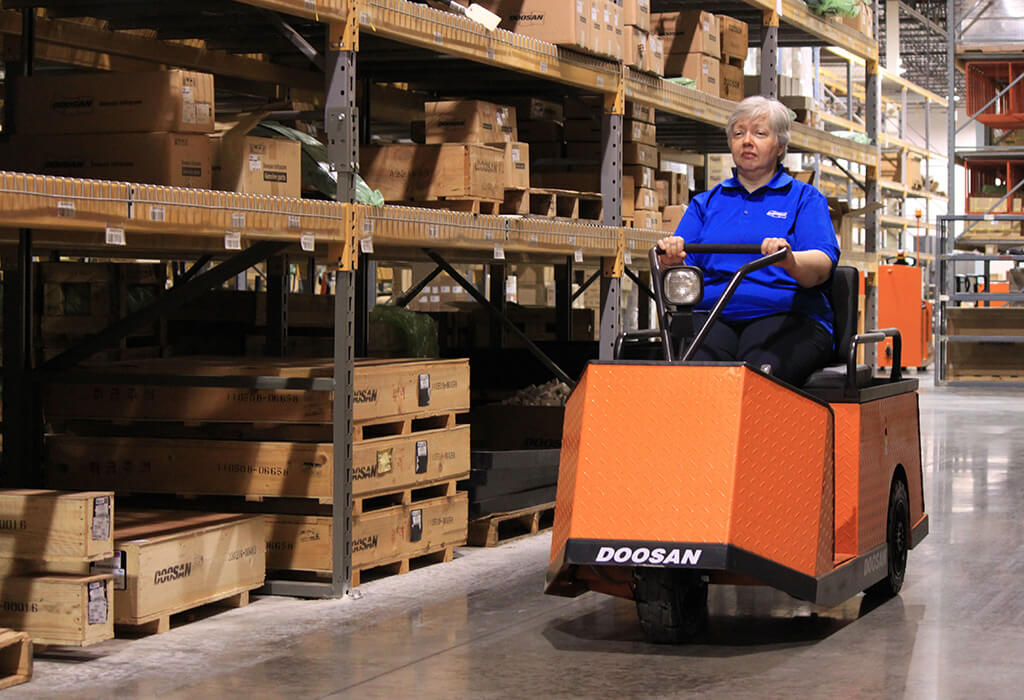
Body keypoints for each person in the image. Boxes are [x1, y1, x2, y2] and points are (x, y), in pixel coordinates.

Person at [657, 95, 840, 387]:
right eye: (739, 133)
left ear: (780, 146)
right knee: (692, 380)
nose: (747, 141)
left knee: (757, 379)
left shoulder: (805, 199)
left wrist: (790, 260)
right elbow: (682, 268)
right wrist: (670, 260)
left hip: (787, 317)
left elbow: (821, 266)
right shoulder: (705, 203)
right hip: (713, 316)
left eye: (759, 133)